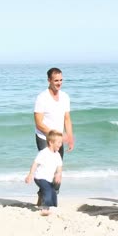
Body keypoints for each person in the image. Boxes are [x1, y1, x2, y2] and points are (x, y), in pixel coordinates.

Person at [34, 67, 74, 204]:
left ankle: (45, 195)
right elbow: (39, 123)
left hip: (59, 140)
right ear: (49, 80)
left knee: (57, 169)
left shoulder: (65, 97)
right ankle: (45, 198)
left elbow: (67, 118)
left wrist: (70, 137)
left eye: (61, 80)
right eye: (56, 80)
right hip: (44, 138)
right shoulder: (42, 98)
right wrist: (55, 136)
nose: (59, 83)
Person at [25, 130, 63, 216]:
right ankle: (45, 208)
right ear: (51, 142)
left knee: (53, 191)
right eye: (59, 142)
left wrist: (58, 174)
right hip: (40, 177)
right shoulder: (43, 153)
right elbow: (35, 164)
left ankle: (49, 204)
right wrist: (30, 174)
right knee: (48, 190)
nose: (60, 144)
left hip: (48, 178)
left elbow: (59, 166)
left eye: (61, 142)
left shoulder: (57, 155)